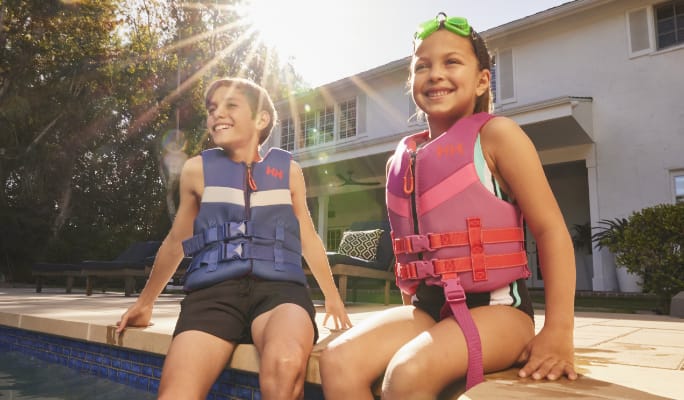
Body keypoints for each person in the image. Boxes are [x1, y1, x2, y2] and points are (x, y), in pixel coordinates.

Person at [319, 13, 577, 399]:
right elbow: (413, 250)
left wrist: (558, 332)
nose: (435, 74)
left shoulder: (498, 136)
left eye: (451, 62)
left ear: (482, 80)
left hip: (500, 310)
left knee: (407, 374)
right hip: (429, 307)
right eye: (423, 66)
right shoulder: (401, 161)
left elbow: (551, 229)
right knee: (337, 359)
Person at [117, 77, 352, 400]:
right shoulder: (196, 170)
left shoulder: (288, 171)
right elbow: (176, 242)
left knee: (284, 366)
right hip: (213, 295)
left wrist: (332, 297)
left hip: (279, 294)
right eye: (212, 109)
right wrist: (145, 303)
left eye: (230, 105)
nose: (216, 114)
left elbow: (308, 239)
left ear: (261, 119)